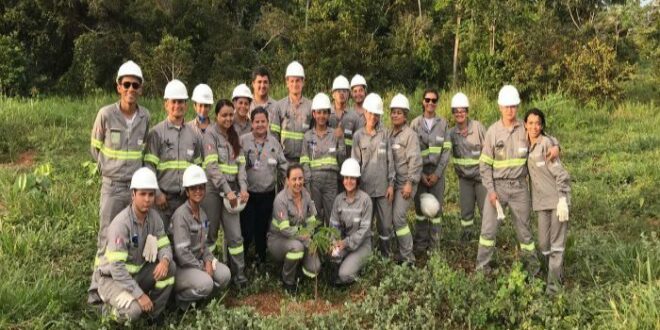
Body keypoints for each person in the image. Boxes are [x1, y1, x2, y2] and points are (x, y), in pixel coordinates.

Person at [476, 85, 558, 275]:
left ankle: (534, 269)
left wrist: (556, 147)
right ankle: (482, 268)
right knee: (488, 231)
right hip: (497, 188)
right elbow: (485, 165)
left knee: (525, 231)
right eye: (506, 106)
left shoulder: (525, 128)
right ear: (499, 107)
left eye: (513, 106)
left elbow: (548, 139)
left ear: (518, 107)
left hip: (520, 188)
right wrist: (491, 190)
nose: (509, 110)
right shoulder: (492, 132)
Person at [88, 60, 151, 304]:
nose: (131, 89)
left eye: (135, 85)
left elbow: (144, 150)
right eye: (126, 84)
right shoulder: (106, 114)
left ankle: (124, 284)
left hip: (134, 189)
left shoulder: (145, 116)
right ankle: (97, 290)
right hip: (112, 187)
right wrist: (110, 169)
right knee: (106, 237)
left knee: (130, 236)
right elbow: (95, 149)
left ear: (141, 88)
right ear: (118, 87)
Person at [93, 168, 175, 323]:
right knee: (133, 312)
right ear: (133, 195)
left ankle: (153, 316)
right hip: (113, 279)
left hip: (136, 275)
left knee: (170, 268)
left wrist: (164, 260)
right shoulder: (121, 224)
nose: (147, 199)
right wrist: (140, 294)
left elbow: (165, 244)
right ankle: (107, 310)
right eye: (142, 194)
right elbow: (117, 268)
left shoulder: (154, 218)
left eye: (151, 194)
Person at [144, 79, 203, 233]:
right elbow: (149, 167)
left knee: (183, 240)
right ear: (166, 105)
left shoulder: (194, 135)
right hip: (162, 200)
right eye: (174, 102)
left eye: (181, 102)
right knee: (160, 238)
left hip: (185, 200)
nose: (177, 105)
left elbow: (198, 168)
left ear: (186, 105)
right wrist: (156, 193)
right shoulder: (156, 133)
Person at [201, 99, 249, 287]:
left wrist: (243, 189)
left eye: (231, 114)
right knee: (210, 235)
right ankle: (210, 275)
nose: (228, 118)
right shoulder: (210, 135)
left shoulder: (235, 136)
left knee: (235, 236)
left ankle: (239, 275)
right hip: (213, 191)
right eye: (224, 115)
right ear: (216, 116)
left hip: (233, 193)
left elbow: (242, 166)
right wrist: (227, 190)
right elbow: (212, 167)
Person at [524, 108, 571, 294]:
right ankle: (554, 273)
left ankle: (553, 288)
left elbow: (562, 174)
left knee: (556, 244)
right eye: (531, 123)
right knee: (544, 244)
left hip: (558, 201)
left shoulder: (546, 144)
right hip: (541, 202)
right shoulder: (525, 144)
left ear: (542, 125)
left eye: (538, 123)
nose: (534, 127)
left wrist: (562, 199)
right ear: (525, 125)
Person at [171, 165, 231, 309]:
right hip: (182, 267)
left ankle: (201, 301)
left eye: (201, 188)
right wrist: (203, 267)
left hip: (198, 261)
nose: (198, 191)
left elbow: (203, 247)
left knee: (225, 275)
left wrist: (209, 260)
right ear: (187, 191)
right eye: (193, 188)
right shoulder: (181, 215)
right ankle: (179, 300)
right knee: (207, 283)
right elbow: (182, 254)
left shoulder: (203, 214)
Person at [240, 107, 288, 265]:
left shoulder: (274, 142)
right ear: (251, 123)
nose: (260, 124)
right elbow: (238, 166)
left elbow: (283, 165)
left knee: (262, 229)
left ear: (268, 122)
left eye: (263, 121)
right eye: (256, 121)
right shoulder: (243, 141)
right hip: (248, 194)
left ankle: (261, 259)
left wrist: (287, 183)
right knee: (246, 230)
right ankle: (244, 260)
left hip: (267, 194)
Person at [351, 93, 395, 257]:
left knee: (385, 226)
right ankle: (365, 256)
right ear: (364, 112)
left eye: (376, 114)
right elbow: (355, 165)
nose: (373, 117)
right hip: (365, 190)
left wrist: (391, 184)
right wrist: (355, 190)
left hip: (383, 189)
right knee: (365, 225)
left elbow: (390, 161)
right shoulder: (357, 136)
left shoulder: (385, 134)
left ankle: (385, 255)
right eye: (370, 113)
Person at [268, 164, 320, 292]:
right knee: (297, 248)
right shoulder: (280, 200)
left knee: (315, 268)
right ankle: (288, 282)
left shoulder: (306, 195)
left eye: (300, 178)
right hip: (278, 240)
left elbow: (312, 220)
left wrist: (309, 235)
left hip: (301, 237)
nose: (298, 182)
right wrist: (303, 235)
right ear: (287, 180)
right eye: (294, 179)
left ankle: (299, 275)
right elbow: (285, 230)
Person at [410, 89, 450, 252]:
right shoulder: (415, 124)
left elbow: (446, 151)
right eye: (428, 100)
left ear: (437, 103)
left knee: (436, 210)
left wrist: (437, 174)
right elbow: (412, 152)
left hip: (436, 173)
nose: (431, 103)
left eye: (434, 100)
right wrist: (419, 175)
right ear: (423, 102)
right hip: (420, 172)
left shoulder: (443, 124)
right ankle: (420, 244)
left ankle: (435, 247)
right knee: (420, 210)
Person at [301, 93, 345, 225]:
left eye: (324, 113)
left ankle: (331, 245)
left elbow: (342, 159)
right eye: (318, 112)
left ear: (328, 114)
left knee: (331, 214)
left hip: (331, 181)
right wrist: (307, 183)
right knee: (315, 216)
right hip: (314, 181)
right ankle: (317, 245)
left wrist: (341, 139)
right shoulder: (308, 136)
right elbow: (304, 161)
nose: (321, 116)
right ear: (314, 114)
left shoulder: (335, 134)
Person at [448, 92, 487, 240]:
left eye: (462, 110)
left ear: (467, 111)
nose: (460, 114)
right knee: (466, 211)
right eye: (456, 111)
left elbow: (489, 150)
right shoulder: (451, 134)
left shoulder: (478, 128)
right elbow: (444, 152)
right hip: (464, 179)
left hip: (481, 178)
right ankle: (467, 237)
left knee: (486, 210)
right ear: (453, 114)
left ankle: (487, 238)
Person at [389, 94, 422, 263]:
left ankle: (408, 257)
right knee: (391, 219)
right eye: (393, 112)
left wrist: (410, 183)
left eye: (399, 112)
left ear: (405, 115)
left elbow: (415, 161)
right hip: (392, 184)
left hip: (406, 184)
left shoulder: (410, 135)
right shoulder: (389, 134)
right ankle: (399, 252)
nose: (395, 115)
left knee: (398, 218)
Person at [328, 158, 373, 285]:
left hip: (362, 244)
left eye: (352, 178)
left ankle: (354, 271)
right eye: (346, 178)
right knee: (332, 254)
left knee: (344, 275)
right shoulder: (338, 200)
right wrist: (334, 242)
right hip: (343, 242)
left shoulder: (365, 200)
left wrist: (346, 243)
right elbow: (334, 226)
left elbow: (364, 230)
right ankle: (343, 266)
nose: (349, 181)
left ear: (357, 180)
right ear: (343, 180)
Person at [271, 61, 312, 163]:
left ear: (303, 82)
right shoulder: (279, 106)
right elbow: (274, 135)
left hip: (304, 160)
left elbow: (314, 134)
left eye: (298, 81)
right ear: (287, 83)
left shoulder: (311, 106)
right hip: (284, 160)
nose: (295, 84)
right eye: (292, 81)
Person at [329, 75, 360, 158]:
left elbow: (358, 142)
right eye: (338, 91)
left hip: (348, 161)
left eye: (344, 91)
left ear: (348, 94)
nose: (341, 93)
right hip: (328, 161)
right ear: (333, 94)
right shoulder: (325, 113)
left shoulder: (354, 116)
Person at [250, 66, 277, 133]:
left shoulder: (276, 106)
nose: (262, 86)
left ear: (269, 84)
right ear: (253, 84)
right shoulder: (246, 105)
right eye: (259, 82)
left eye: (265, 82)